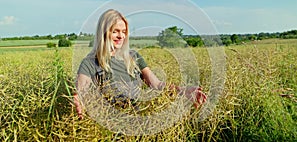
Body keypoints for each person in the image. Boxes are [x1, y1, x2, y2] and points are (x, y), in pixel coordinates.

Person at [74, 9, 207, 120]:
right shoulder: (90, 63)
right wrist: (79, 101)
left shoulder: (134, 57)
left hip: (138, 121)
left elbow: (157, 85)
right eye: (115, 31)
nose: (121, 36)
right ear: (103, 33)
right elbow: (82, 93)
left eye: (124, 31)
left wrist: (183, 91)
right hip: (110, 127)